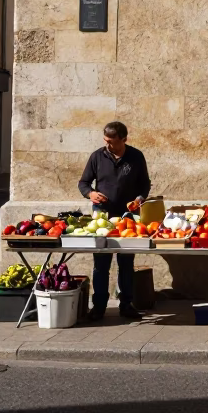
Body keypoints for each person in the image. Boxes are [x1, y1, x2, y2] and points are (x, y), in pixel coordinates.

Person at [78, 120, 151, 320]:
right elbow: (83, 183)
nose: (108, 145)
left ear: (124, 139)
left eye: (112, 141)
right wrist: (90, 194)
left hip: (128, 218)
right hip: (102, 217)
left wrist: (139, 199)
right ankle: (99, 306)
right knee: (101, 263)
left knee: (126, 262)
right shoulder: (97, 156)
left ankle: (126, 304)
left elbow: (144, 184)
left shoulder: (136, 156)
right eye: (106, 140)